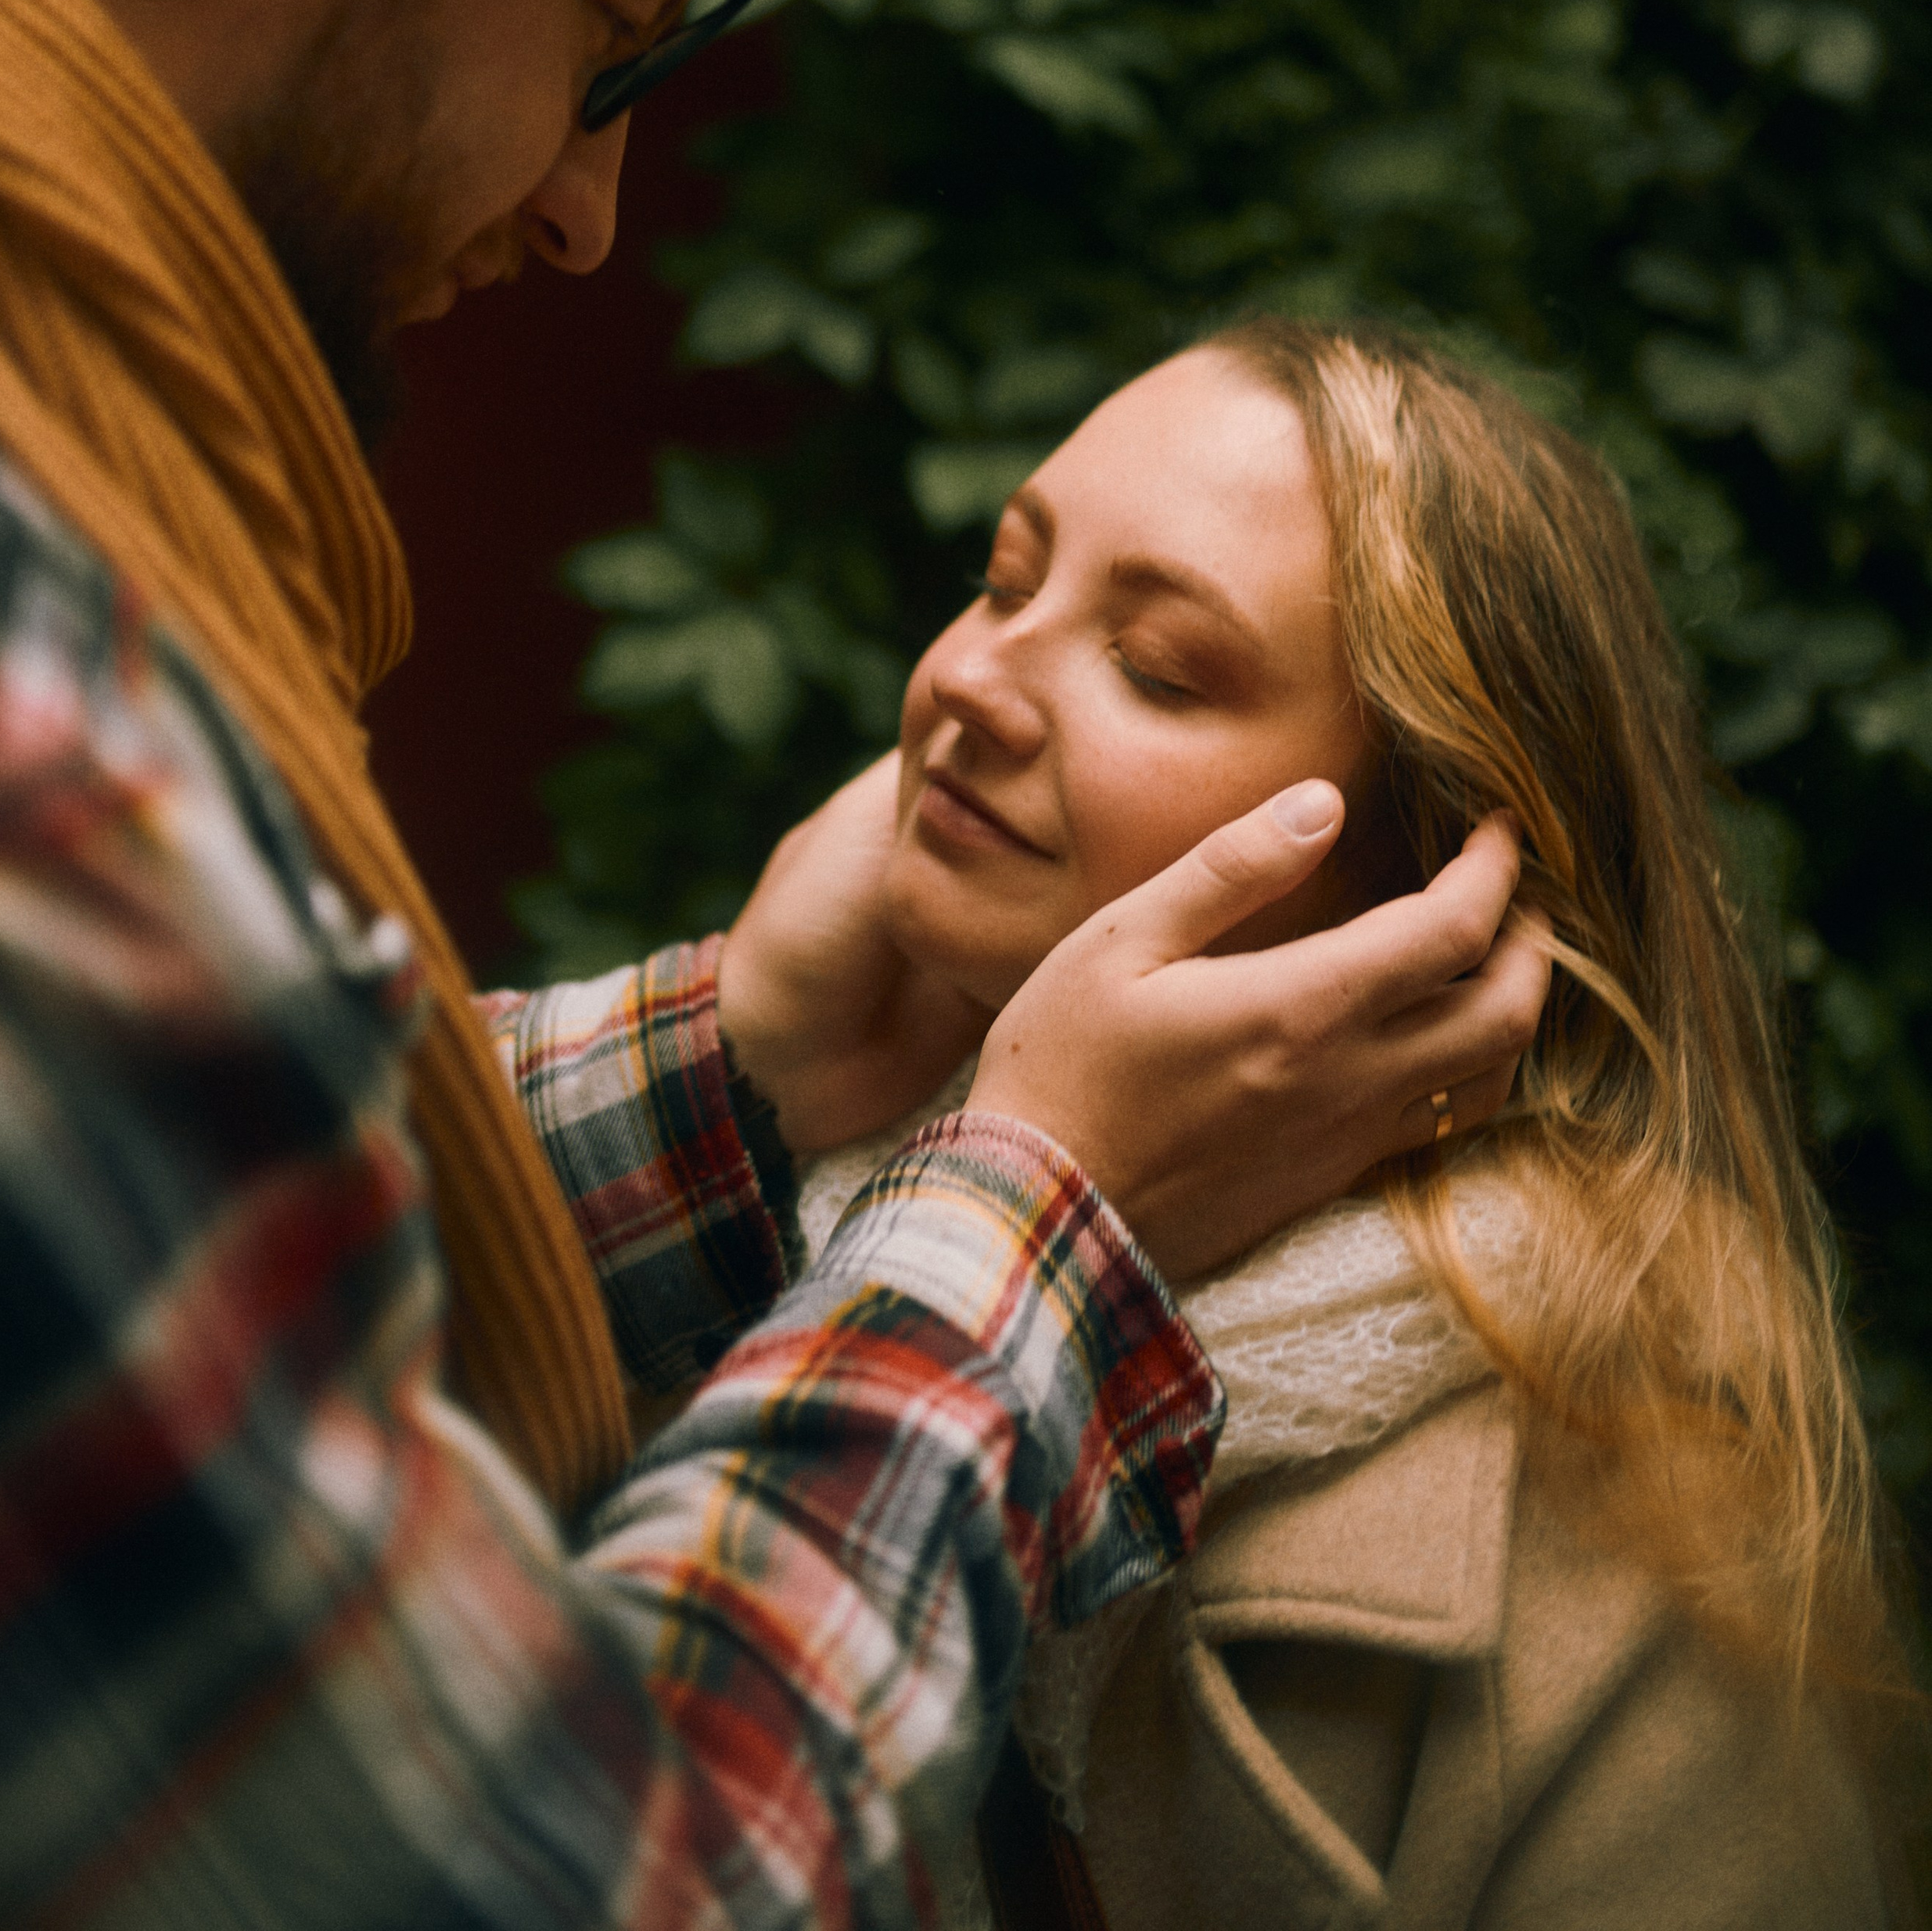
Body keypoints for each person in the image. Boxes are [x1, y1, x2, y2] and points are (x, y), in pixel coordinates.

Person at [0, 0, 1549, 1926]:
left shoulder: (1628, 1540)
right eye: (600, 37)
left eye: (1162, 641)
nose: (584, 214)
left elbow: (115, 1344)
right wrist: (1037, 1215)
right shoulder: (4, 698)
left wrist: (750, 1056)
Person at [798, 317, 1920, 1928]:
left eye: (1157, 666)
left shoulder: (1632, 1569)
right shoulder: (771, 1230)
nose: (970, 676)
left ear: (1424, 900)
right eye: (999, 582)